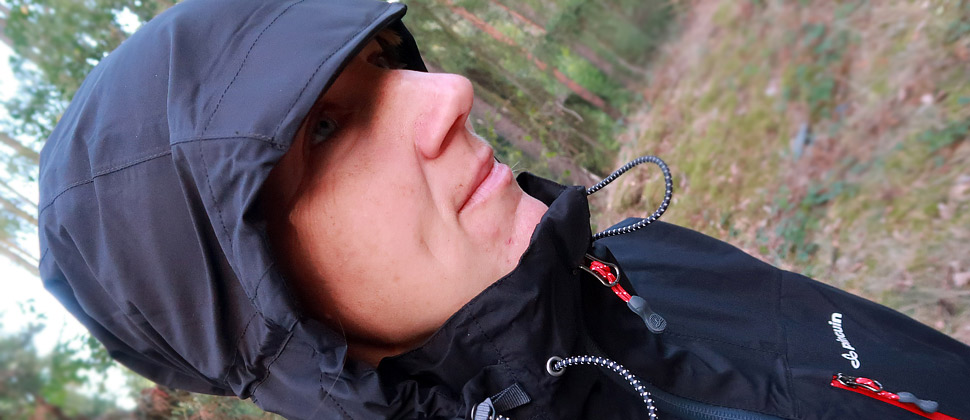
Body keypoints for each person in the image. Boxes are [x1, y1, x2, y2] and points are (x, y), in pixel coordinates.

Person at [37, 0, 970, 419]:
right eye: (324, 128)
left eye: (386, 64)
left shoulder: (632, 265)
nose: (449, 92)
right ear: (259, 306)